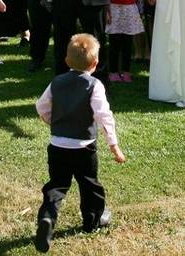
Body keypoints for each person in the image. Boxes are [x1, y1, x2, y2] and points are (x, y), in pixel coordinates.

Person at [34, 33, 126, 253]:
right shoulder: (94, 85)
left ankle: (47, 217)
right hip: (84, 147)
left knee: (56, 185)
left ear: (66, 61)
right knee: (89, 185)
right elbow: (104, 115)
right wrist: (113, 144)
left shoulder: (56, 82)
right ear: (95, 64)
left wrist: (53, 122)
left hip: (57, 146)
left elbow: (41, 107)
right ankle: (93, 220)